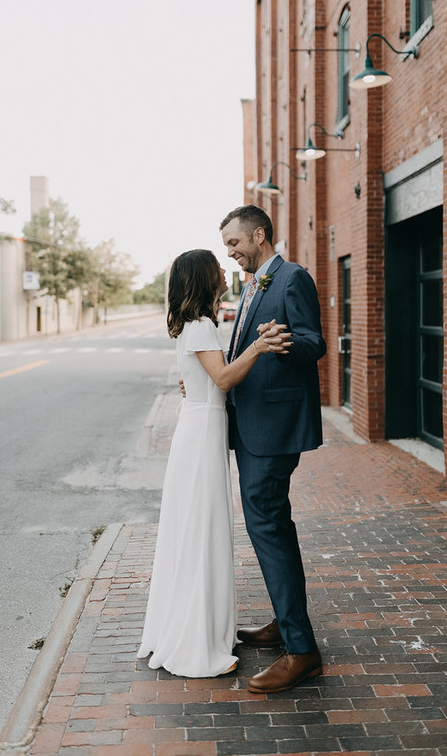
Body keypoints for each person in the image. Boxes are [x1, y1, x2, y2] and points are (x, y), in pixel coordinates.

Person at [137, 248, 291, 678]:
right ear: (203, 278)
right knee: (201, 528)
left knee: (194, 527)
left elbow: (203, 380)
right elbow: (222, 379)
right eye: (217, 267)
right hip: (202, 432)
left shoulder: (194, 325)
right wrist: (260, 346)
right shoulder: (202, 325)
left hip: (199, 426)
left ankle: (199, 625)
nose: (225, 270)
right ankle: (196, 639)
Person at [219, 204, 326, 694]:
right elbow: (243, 343)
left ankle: (301, 651)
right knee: (271, 528)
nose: (231, 252)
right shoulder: (254, 284)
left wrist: (286, 343)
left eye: (234, 243)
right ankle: (286, 625)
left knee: (268, 527)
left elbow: (314, 342)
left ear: (258, 235)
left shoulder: (292, 278)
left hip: (275, 428)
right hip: (251, 423)